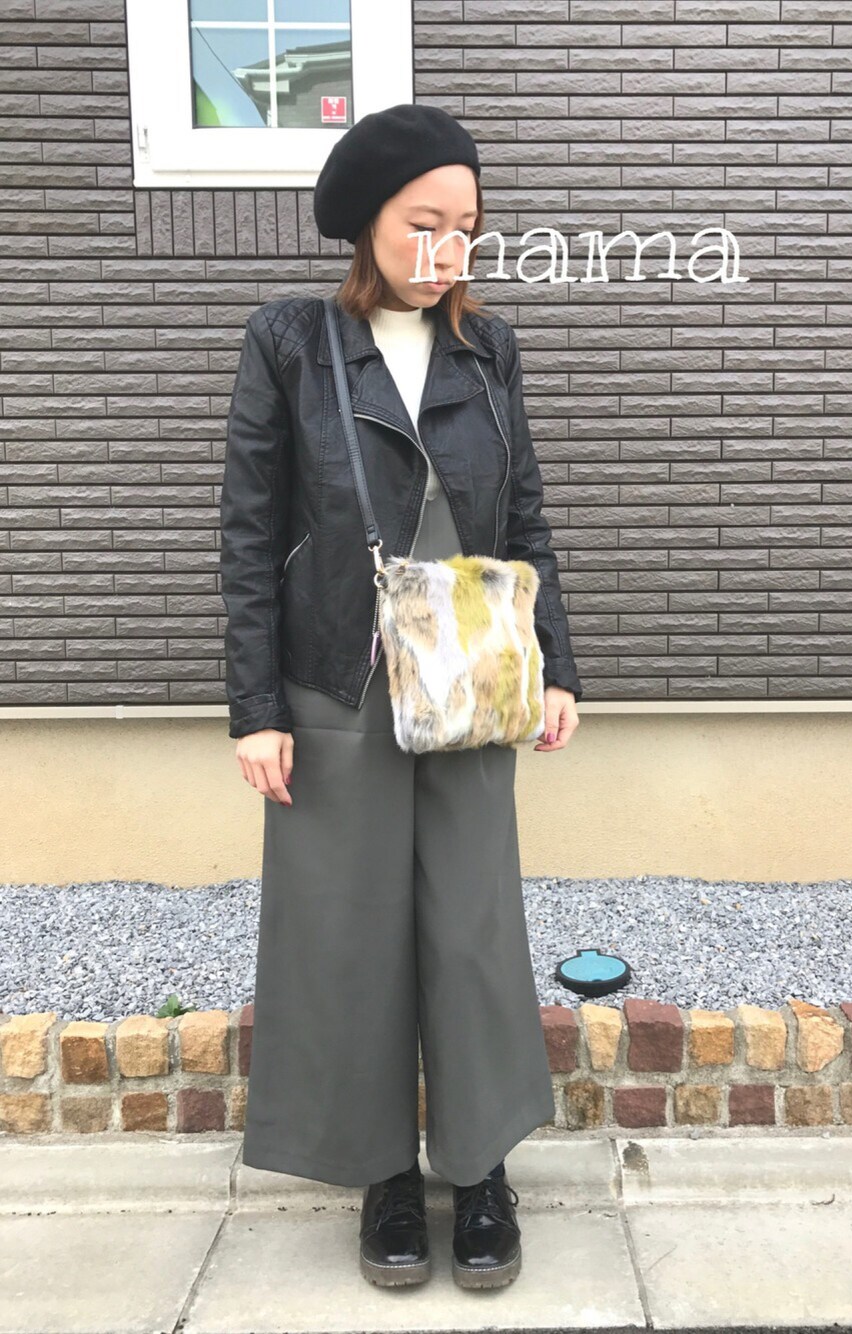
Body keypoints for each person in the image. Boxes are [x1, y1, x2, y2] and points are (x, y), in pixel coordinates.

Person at [219, 104, 583, 1290]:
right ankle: (382, 1171)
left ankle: (478, 1168)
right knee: (348, 934)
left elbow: (525, 517)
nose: (445, 249)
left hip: (471, 675)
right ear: (367, 221)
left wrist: (556, 665)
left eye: (465, 227)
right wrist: (254, 706)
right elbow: (248, 533)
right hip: (339, 684)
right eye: (424, 222)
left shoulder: (489, 349)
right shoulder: (290, 341)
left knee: (472, 929)